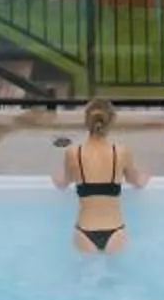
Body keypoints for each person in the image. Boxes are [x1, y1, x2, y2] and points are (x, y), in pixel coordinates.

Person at [52, 98, 148, 254]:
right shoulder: (121, 152)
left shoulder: (73, 153)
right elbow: (136, 181)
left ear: (86, 121)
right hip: (115, 230)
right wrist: (147, 176)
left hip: (84, 230)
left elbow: (62, 183)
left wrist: (54, 177)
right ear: (111, 121)